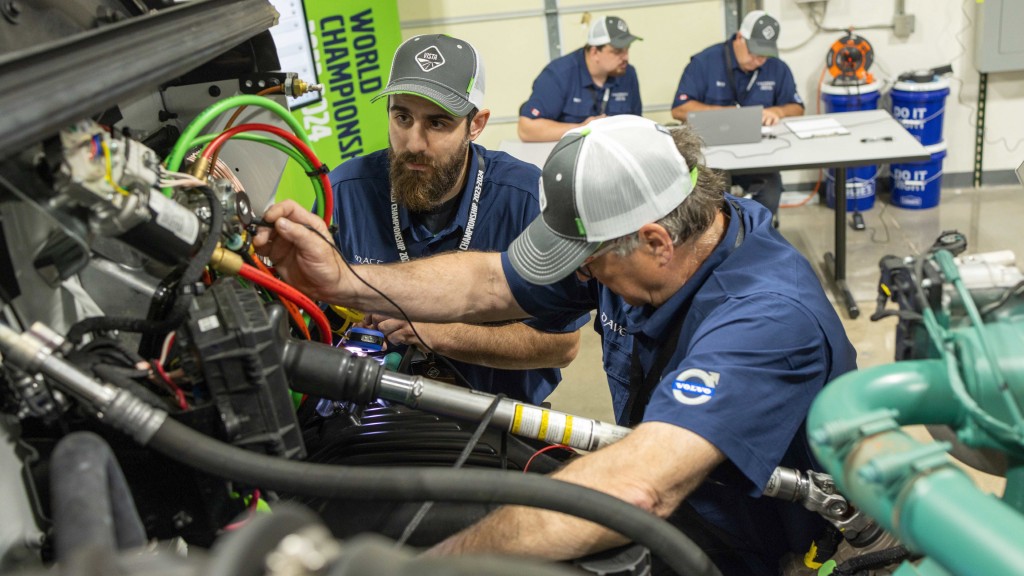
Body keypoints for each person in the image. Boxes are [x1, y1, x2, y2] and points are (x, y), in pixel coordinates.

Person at [254, 115, 857, 575]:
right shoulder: (669, 231)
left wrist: (435, 566)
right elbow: (487, 283)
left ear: (655, 242)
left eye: (588, 261)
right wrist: (342, 281)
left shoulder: (765, 320)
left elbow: (638, 488)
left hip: (747, 545)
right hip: (669, 491)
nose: (582, 275)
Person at [328, 34, 587, 405]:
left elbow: (562, 345)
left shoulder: (527, 198)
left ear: (476, 125)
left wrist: (437, 332)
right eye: (402, 117)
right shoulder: (346, 191)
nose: (414, 143)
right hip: (375, 416)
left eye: (437, 123)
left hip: (500, 417)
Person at [670, 10, 804, 220]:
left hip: (760, 157)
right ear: (740, 38)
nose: (760, 60)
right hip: (711, 156)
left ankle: (756, 240)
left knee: (770, 191)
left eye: (765, 54)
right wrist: (725, 114)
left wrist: (778, 111)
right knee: (712, 202)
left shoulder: (777, 68)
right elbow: (679, 110)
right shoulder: (705, 63)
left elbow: (797, 108)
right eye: (755, 52)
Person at [517, 16, 642, 142]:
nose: (626, 57)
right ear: (594, 52)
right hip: (568, 157)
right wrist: (582, 129)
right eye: (617, 51)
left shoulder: (627, 74)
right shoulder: (559, 74)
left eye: (627, 49)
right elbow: (526, 129)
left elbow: (637, 126)